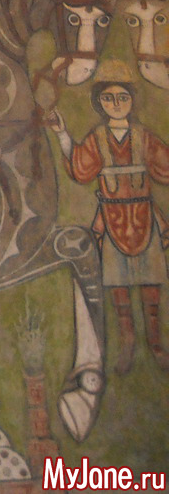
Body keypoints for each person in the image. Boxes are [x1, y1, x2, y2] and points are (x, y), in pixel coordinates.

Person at [50, 63, 169, 373]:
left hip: (144, 217)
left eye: (122, 98)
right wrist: (62, 133)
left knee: (151, 281)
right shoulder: (98, 138)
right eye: (108, 98)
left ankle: (156, 343)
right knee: (118, 285)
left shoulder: (144, 137)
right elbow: (80, 168)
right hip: (112, 218)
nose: (116, 104)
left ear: (132, 100)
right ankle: (127, 343)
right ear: (99, 103)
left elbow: (165, 167)